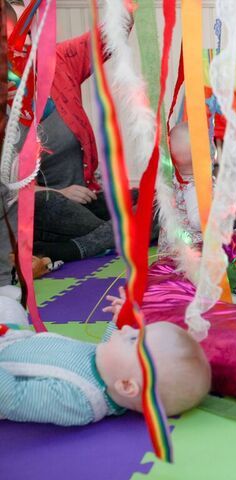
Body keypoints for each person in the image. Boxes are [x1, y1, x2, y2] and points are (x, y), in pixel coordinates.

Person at [1, 0, 136, 279]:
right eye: (11, 35)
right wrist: (59, 193)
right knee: (55, 205)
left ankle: (64, 249)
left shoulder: (59, 61)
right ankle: (120, 234)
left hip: (87, 198)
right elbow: (7, 190)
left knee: (154, 200)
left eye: (28, 31)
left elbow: (114, 31)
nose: (22, 43)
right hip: (42, 205)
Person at [0, 288, 211, 426]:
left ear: (126, 385)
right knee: (9, 306)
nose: (127, 329)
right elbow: (109, 348)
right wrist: (118, 321)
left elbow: (12, 397)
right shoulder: (108, 368)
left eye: (132, 339)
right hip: (16, 339)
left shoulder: (79, 399)